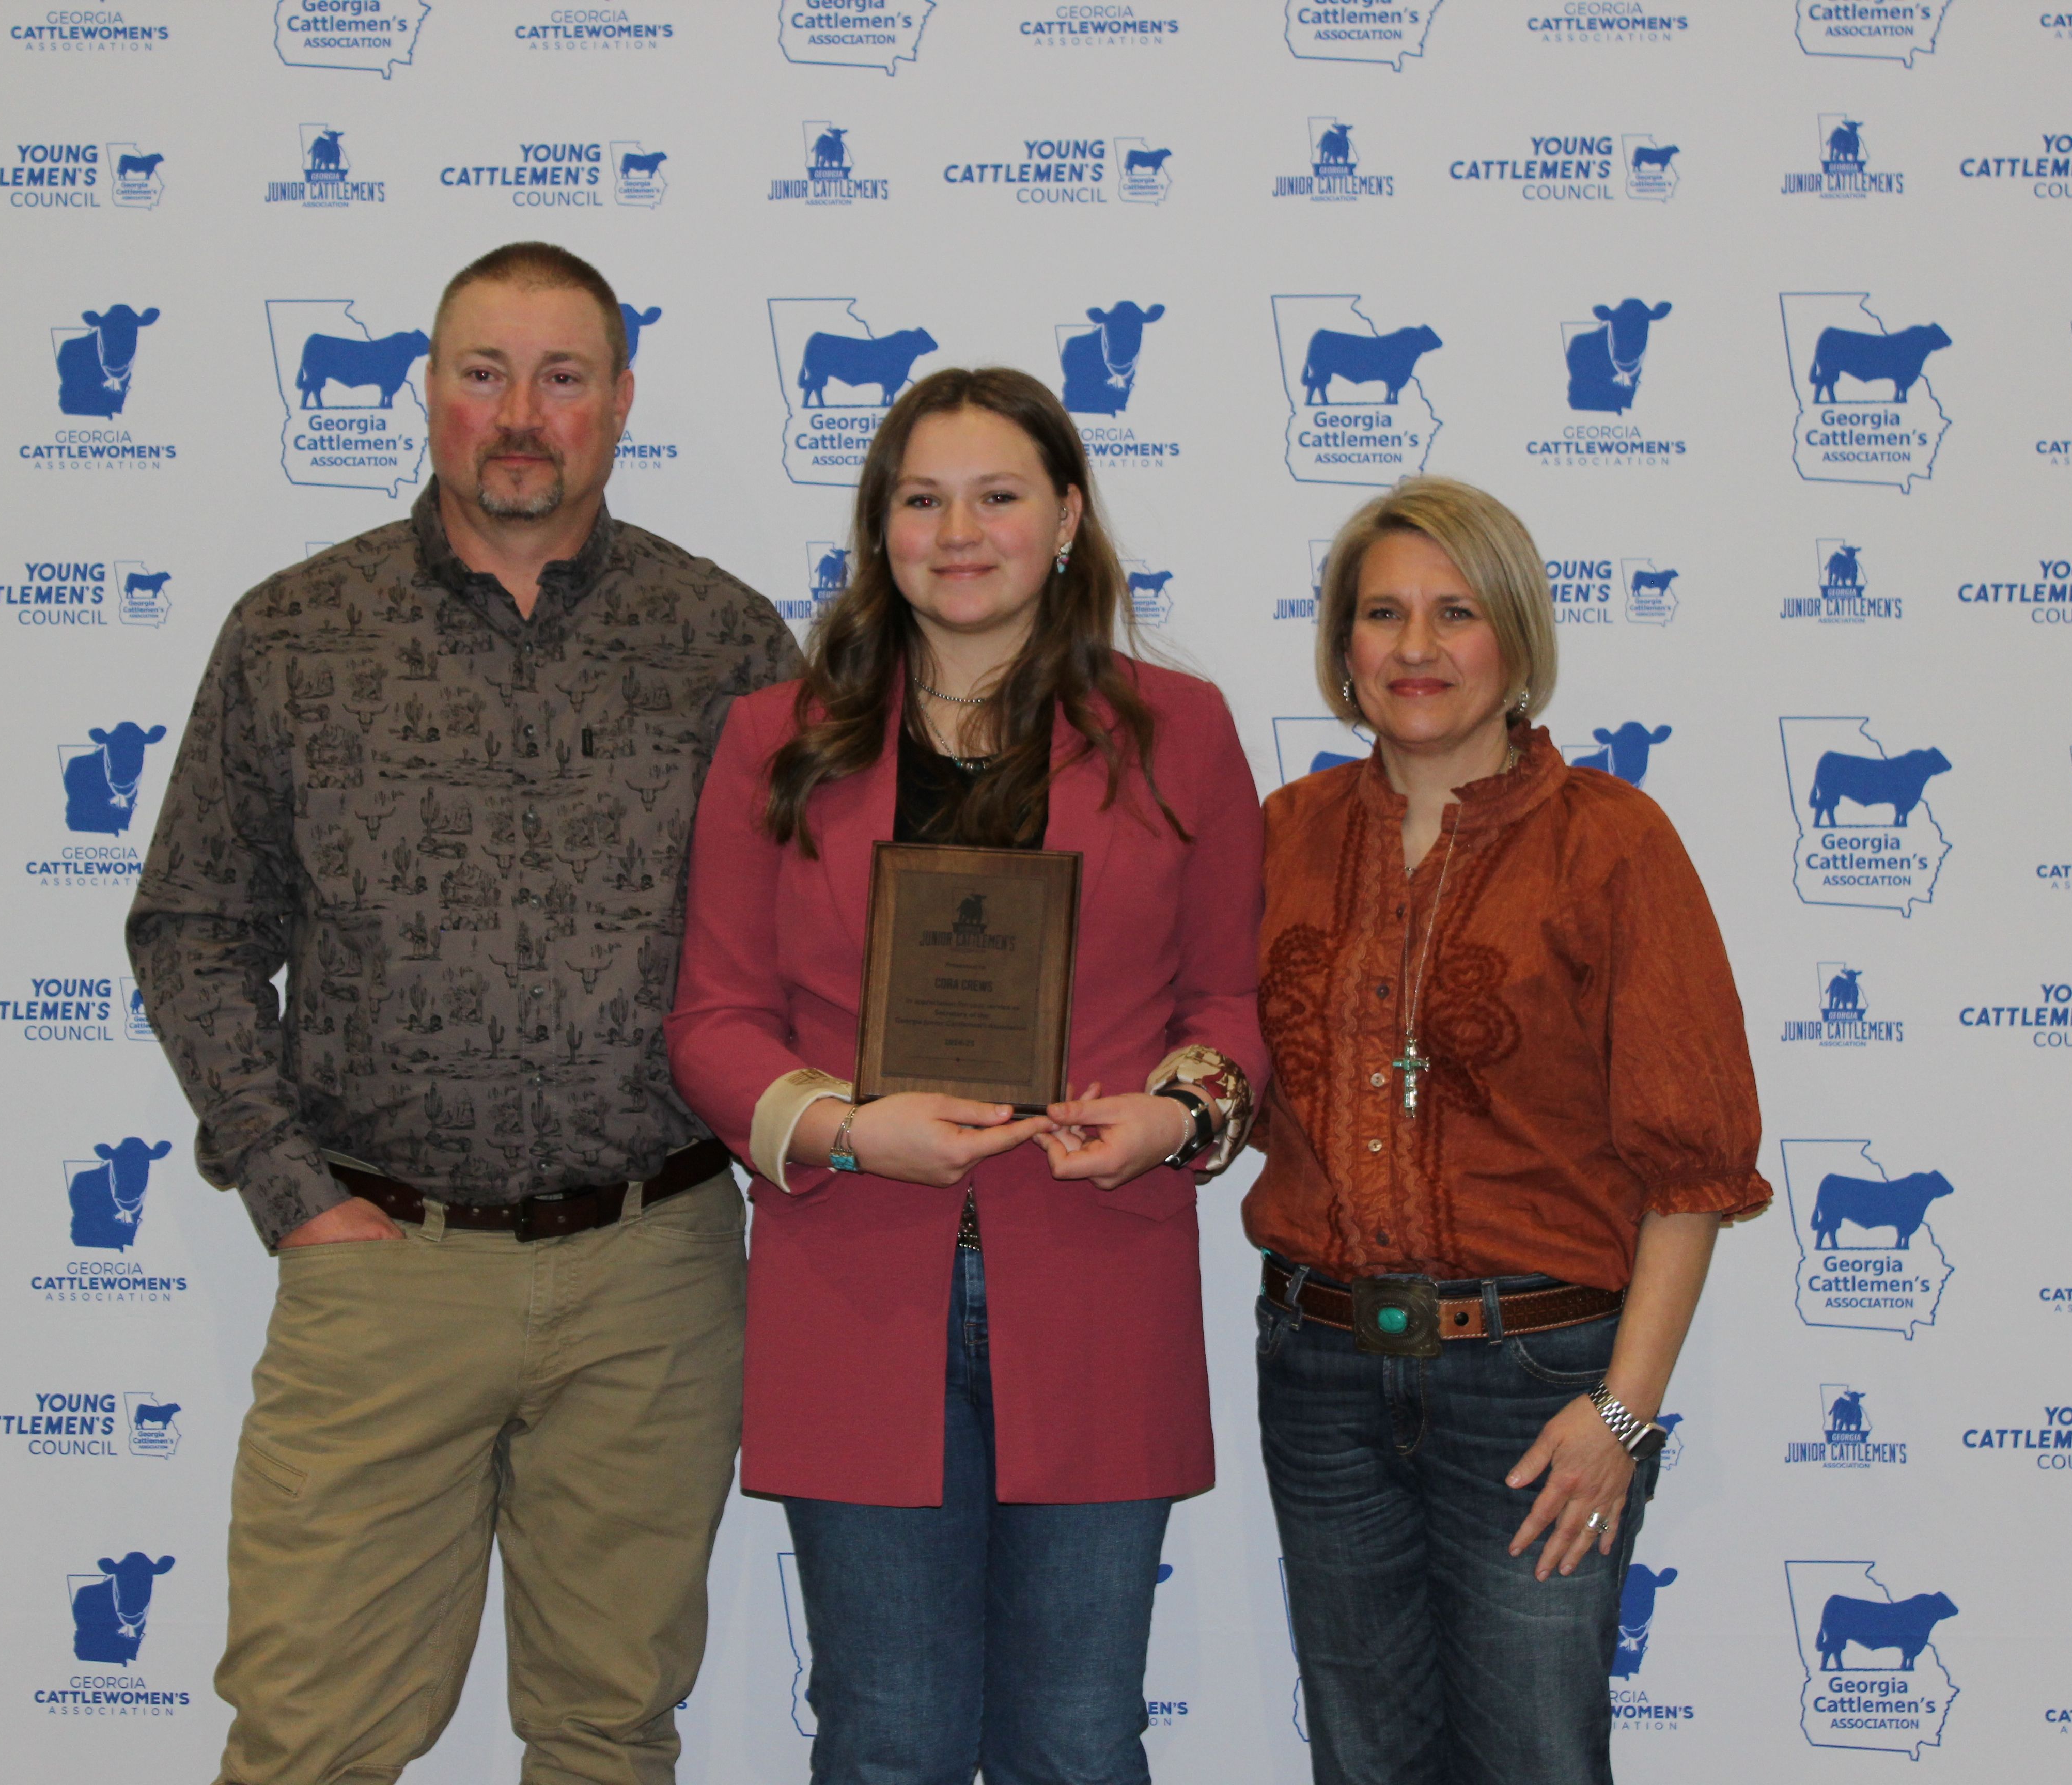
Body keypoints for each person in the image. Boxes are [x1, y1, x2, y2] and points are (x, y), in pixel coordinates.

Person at [127, 241, 801, 1785]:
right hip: (379, 1267)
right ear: (426, 395)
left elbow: (811, 939)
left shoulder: (729, 645)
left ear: (623, 404)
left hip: (655, 1272)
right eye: (483, 374)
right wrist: (292, 1192)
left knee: (608, 1734)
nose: (521, 415)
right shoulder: (296, 635)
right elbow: (196, 924)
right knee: (310, 1737)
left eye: (563, 378)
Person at [666, 366, 1265, 1784]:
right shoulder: (777, 739)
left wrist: (1175, 1114)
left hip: (1100, 1272)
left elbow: (1233, 998)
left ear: (1067, 518)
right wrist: (850, 1130)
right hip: (855, 1279)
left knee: (1076, 1740)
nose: (959, 530)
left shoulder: (1182, 732)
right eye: (922, 500)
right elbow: (713, 1020)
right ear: (881, 532)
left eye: (998, 496)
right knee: (888, 1739)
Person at [1246, 476, 1769, 1784]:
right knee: (1364, 1763)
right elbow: (1227, 1078)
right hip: (1318, 1374)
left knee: (1537, 1756)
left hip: (1540, 1388)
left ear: (1518, 640)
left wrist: (1623, 1413)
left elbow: (1692, 1169)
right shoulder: (1282, 839)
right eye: (1383, 615)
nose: (1416, 648)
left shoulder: (1614, 844)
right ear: (1342, 649)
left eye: (1455, 613)